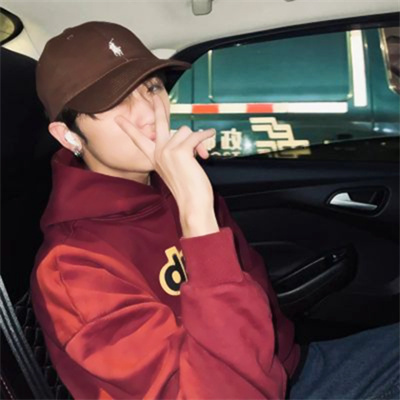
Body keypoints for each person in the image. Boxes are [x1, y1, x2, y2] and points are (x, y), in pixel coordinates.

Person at [30, 21, 399, 400]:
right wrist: (198, 219)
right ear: (68, 135)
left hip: (290, 367)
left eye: (152, 87)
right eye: (114, 100)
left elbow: (252, 287)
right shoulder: (74, 268)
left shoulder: (170, 187)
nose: (150, 112)